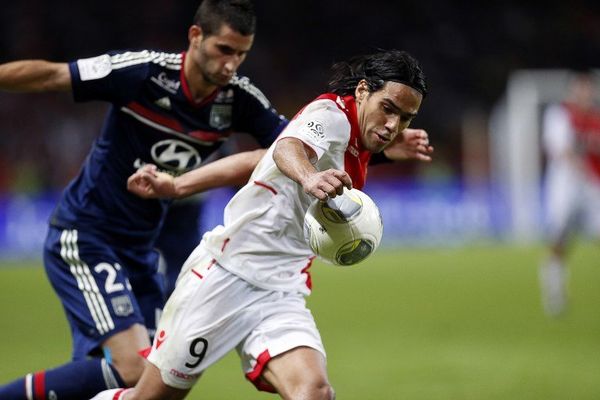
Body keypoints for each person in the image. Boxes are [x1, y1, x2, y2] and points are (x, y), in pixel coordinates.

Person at [91, 49, 432, 400]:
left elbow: (261, 157)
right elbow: (287, 148)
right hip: (226, 274)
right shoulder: (329, 117)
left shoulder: (357, 139)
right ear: (362, 91)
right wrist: (309, 177)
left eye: (405, 118)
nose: (393, 125)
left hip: (280, 289)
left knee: (314, 391)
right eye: (388, 109)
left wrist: (178, 184)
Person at [0, 1, 290, 398]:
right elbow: (53, 75)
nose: (231, 65)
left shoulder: (238, 99)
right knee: (135, 369)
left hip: (139, 253)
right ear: (195, 37)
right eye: (224, 50)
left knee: (158, 378)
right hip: (87, 236)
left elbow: (296, 143)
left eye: (241, 54)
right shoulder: (140, 72)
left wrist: (387, 144)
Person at [539, 71, 600, 316]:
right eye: (580, 89)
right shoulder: (560, 115)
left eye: (588, 89)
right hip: (564, 186)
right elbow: (561, 150)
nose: (585, 94)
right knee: (559, 241)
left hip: (592, 186)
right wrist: (582, 163)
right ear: (573, 91)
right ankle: (554, 294)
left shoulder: (596, 118)